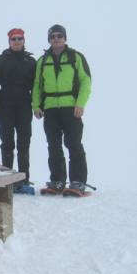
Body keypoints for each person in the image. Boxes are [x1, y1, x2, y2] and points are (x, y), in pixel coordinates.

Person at [32, 24, 91, 195]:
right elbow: (37, 85)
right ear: (49, 39)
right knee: (53, 145)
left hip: (71, 107)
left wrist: (80, 104)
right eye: (53, 36)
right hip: (50, 109)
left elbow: (86, 81)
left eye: (59, 36)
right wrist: (36, 105)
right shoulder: (43, 61)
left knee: (74, 144)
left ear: (65, 38)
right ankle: (57, 181)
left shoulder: (76, 57)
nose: (56, 39)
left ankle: (78, 182)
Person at [0, 28, 36, 190]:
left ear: (24, 41)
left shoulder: (31, 61)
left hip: (24, 105)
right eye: (13, 39)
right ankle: (7, 180)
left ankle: (24, 179)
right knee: (7, 143)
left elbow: (37, 85)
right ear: (9, 42)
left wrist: (38, 105)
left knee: (24, 142)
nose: (17, 42)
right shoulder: (2, 60)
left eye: (19, 39)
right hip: (5, 105)